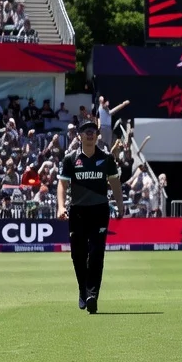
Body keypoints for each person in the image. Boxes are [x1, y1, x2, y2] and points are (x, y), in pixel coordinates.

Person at [56, 121, 125, 314]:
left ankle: (92, 295)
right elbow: (62, 185)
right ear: (79, 136)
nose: (89, 134)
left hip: (99, 210)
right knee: (78, 254)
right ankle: (82, 289)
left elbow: (115, 183)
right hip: (77, 211)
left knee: (96, 253)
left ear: (97, 136)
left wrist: (120, 206)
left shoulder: (106, 158)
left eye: (93, 131)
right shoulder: (70, 159)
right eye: (86, 131)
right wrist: (61, 207)